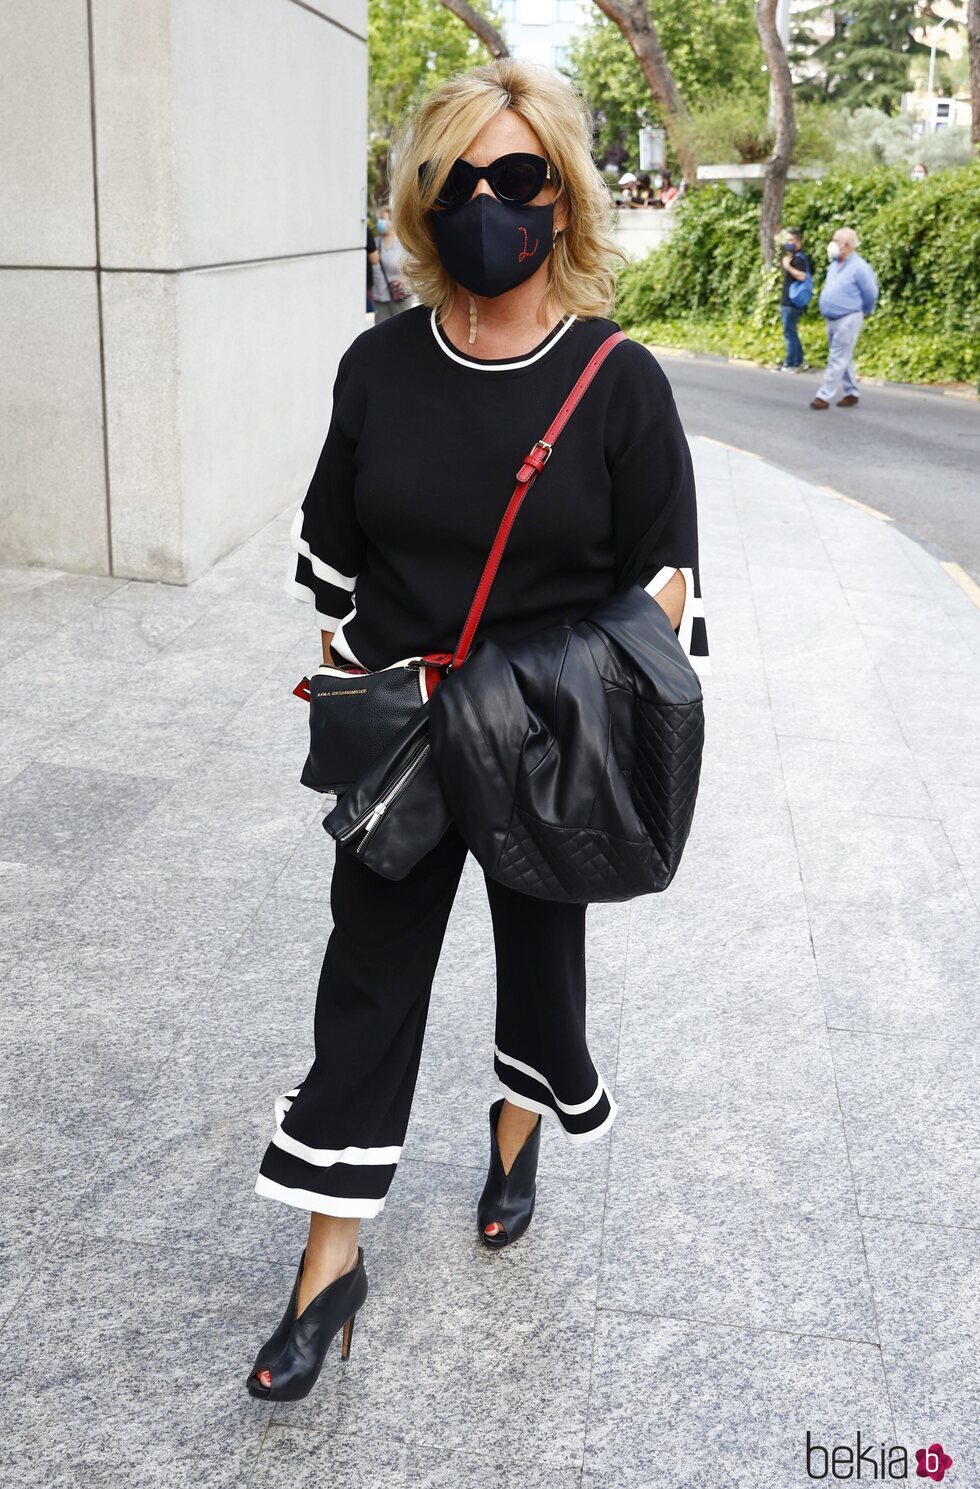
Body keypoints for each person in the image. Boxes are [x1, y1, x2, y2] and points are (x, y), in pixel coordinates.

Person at [247, 56, 710, 1403]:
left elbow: (668, 585)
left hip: (543, 737)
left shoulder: (618, 382)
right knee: (368, 982)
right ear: (419, 199)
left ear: (564, 198)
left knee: (540, 956)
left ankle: (518, 1128)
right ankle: (328, 1269)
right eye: (462, 180)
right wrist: (367, 687)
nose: (491, 204)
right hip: (409, 735)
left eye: (521, 178)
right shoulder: (380, 365)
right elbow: (329, 561)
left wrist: (544, 698)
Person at [810, 227, 879, 410]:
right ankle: (852, 392)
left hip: (849, 316)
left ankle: (823, 396)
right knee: (843, 356)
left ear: (847, 245)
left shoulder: (859, 267)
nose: (831, 244)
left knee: (837, 356)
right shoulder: (834, 265)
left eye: (836, 240)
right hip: (831, 318)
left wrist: (865, 310)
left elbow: (871, 292)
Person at [777, 226, 811, 372]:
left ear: (798, 241)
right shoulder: (796, 257)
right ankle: (799, 361)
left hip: (791, 302)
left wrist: (788, 267)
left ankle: (790, 363)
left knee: (789, 332)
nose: (787, 243)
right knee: (792, 332)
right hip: (790, 300)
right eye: (787, 240)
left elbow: (802, 276)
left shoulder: (798, 259)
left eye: (790, 240)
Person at [370, 208, 414, 320]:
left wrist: (404, 279)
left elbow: (416, 266)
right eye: (379, 219)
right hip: (380, 295)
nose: (379, 222)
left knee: (402, 329)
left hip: (399, 294)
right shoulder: (376, 242)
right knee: (380, 332)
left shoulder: (403, 243)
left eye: (382, 219)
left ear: (392, 221)